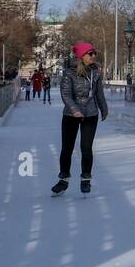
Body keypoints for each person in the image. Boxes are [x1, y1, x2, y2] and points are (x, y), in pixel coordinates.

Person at [52, 43, 108, 196]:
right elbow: (66, 94)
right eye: (90, 53)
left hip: (90, 114)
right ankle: (63, 179)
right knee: (67, 148)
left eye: (94, 53)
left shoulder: (95, 72)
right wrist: (75, 110)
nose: (93, 56)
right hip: (71, 115)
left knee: (86, 148)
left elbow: (99, 93)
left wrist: (104, 108)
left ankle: (86, 179)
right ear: (82, 56)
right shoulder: (69, 73)